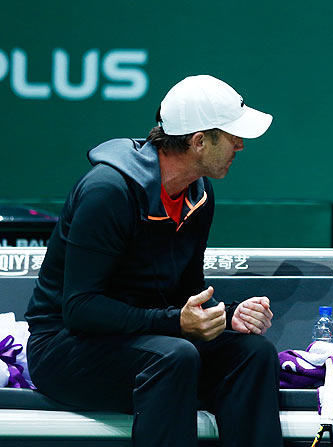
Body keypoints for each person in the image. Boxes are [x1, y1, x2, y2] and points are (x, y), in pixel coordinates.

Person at [24, 75, 283, 447]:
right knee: (174, 356)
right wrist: (175, 321)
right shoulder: (107, 192)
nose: (240, 146)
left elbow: (187, 292)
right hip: (64, 348)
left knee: (253, 354)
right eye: (231, 136)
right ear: (198, 141)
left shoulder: (198, 194)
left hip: (147, 340)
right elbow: (79, 308)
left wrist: (226, 315)